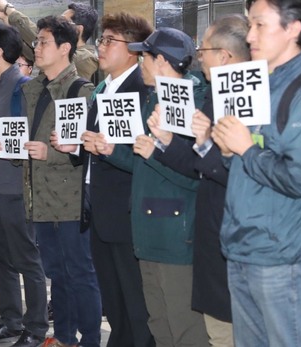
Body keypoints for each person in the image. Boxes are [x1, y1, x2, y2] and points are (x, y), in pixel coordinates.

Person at [210, 0, 301, 345]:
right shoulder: (258, 86)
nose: (250, 35)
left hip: (282, 255)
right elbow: (245, 166)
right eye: (249, 24)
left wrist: (245, 148)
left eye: (259, 25)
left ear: (292, 29)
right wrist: (229, 151)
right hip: (242, 246)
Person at [91, 27, 209, 346]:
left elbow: (194, 176)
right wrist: (111, 150)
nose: (139, 62)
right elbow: (141, 163)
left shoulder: (193, 101)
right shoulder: (154, 99)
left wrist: (156, 152)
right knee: (158, 321)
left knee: (183, 325)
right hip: (146, 228)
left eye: (144, 56)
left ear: (160, 61)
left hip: (175, 231)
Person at [148, 15, 251, 347]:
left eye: (204, 48)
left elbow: (243, 172)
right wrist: (164, 141)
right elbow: (199, 165)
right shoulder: (214, 96)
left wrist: (206, 143)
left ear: (224, 56)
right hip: (212, 243)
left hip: (242, 246)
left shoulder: (252, 100)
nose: (199, 56)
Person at [9, 15, 102, 347]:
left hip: (71, 197)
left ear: (65, 48)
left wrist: (50, 153)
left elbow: (87, 148)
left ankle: (90, 339)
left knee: (80, 274)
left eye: (43, 42)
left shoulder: (80, 91)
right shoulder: (33, 88)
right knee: (57, 276)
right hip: (39, 196)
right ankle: (63, 337)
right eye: (36, 43)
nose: (37, 47)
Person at [73, 12, 155, 347]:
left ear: (134, 49)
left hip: (128, 211)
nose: (101, 47)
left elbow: (144, 155)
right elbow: (93, 144)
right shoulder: (102, 86)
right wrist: (75, 145)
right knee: (114, 302)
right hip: (100, 207)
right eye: (101, 39)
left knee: (136, 304)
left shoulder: (143, 89)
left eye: (110, 41)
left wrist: (105, 148)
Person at [0, 23, 48, 347]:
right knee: (0, 260)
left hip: (15, 189)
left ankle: (36, 327)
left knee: (26, 260)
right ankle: (10, 320)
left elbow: (36, 139)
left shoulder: (25, 88)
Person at [0, 0, 99, 80]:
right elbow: (29, 47)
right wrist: (7, 20)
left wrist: (9, 10)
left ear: (78, 30)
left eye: (63, 23)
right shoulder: (48, 52)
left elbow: (46, 44)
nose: (57, 27)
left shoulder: (86, 58)